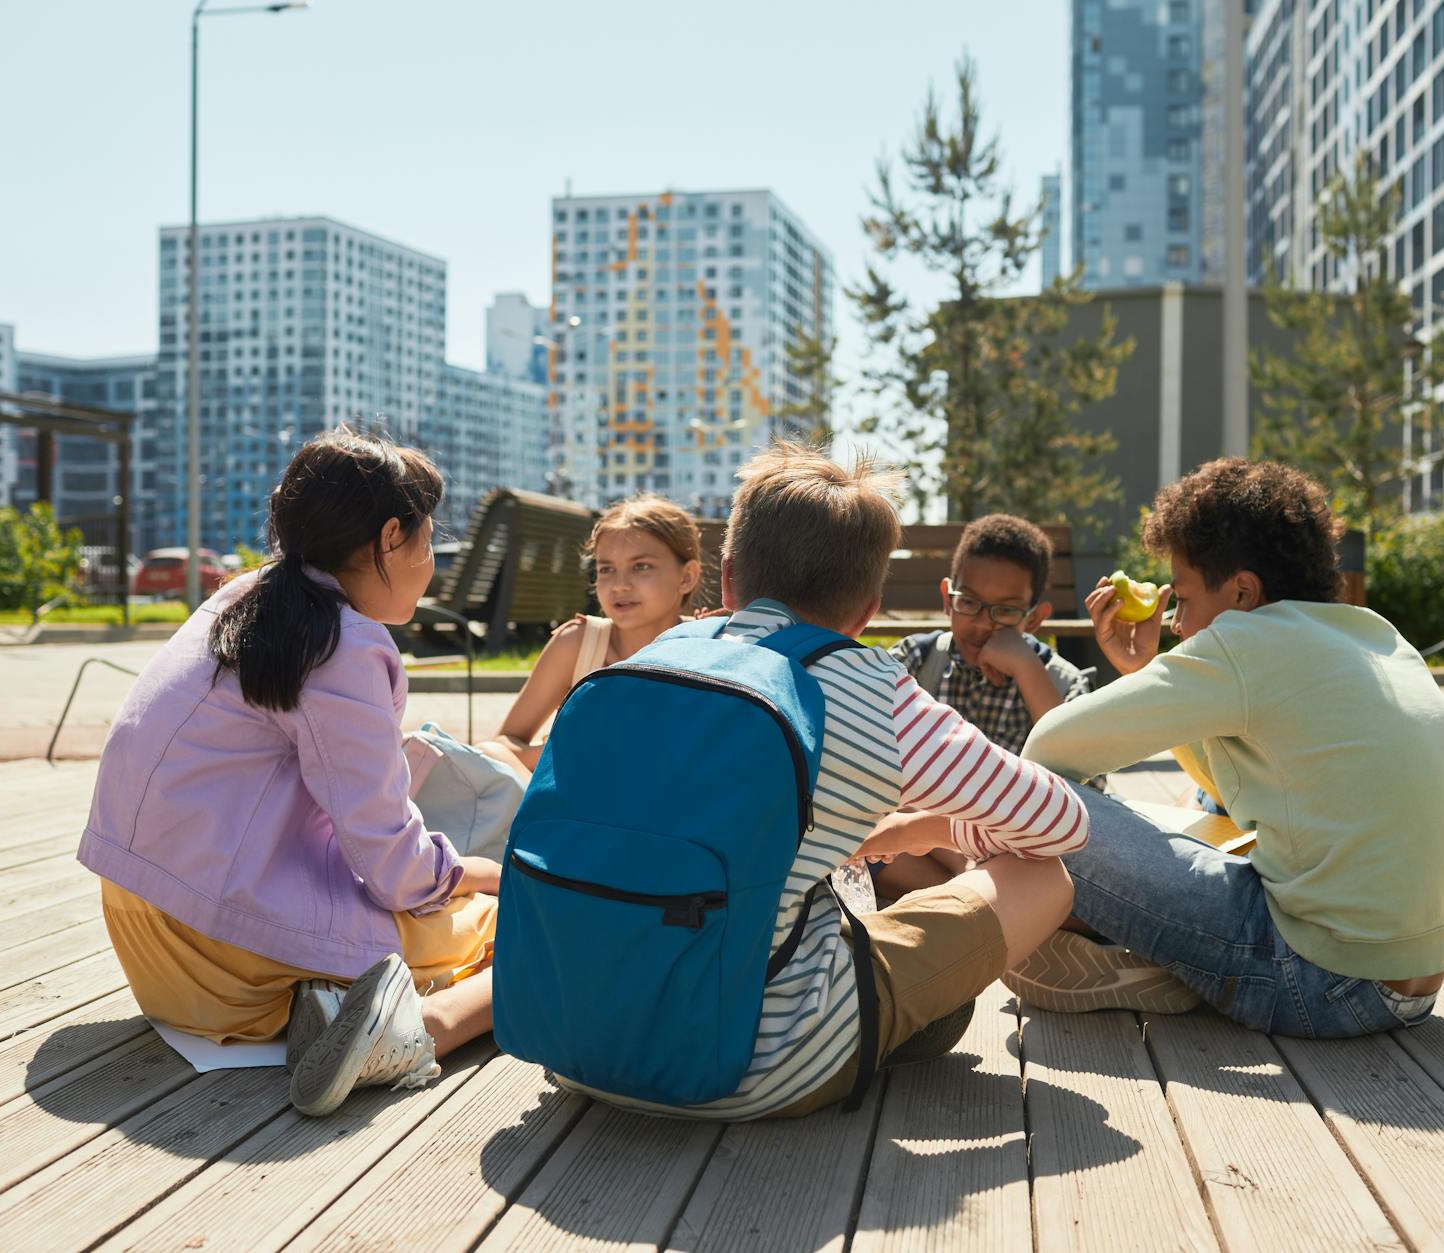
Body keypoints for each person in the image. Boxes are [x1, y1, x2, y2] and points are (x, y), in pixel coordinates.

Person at [538, 442, 1091, 1119]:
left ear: (729, 578)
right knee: (1043, 874)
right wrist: (939, 825)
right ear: (867, 610)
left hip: (576, 1040)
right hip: (751, 1066)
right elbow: (1064, 822)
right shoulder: (873, 687)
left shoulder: (651, 658)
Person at [79, 428, 500, 1117]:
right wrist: (477, 872)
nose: (433, 566)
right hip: (224, 951)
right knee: (510, 923)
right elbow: (392, 861)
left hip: (144, 929)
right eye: (428, 543)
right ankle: (414, 1025)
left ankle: (330, 999)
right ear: (391, 538)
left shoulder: (244, 600)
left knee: (438, 899)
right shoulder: (345, 643)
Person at [1009, 458, 1444, 1036]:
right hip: (1418, 982)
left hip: (1317, 982)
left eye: (1182, 598)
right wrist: (1145, 669)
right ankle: (1162, 961)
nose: (1178, 624)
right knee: (1210, 803)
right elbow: (1246, 789)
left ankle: (1159, 959)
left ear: (1242, 591)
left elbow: (1046, 750)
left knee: (1027, 801)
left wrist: (1148, 677)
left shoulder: (1244, 640)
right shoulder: (1372, 633)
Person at [487, 494, 703, 773]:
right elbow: (503, 744)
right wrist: (569, 747)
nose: (619, 585)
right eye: (606, 569)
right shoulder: (578, 644)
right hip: (581, 809)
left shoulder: (708, 647)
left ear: (687, 577)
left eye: (641, 566)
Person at [888, 513, 1093, 755]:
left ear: (1034, 618)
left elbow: (1090, 783)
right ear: (947, 598)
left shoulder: (1065, 684)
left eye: (1006, 610)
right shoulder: (914, 663)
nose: (984, 624)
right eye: (969, 601)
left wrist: (1027, 668)